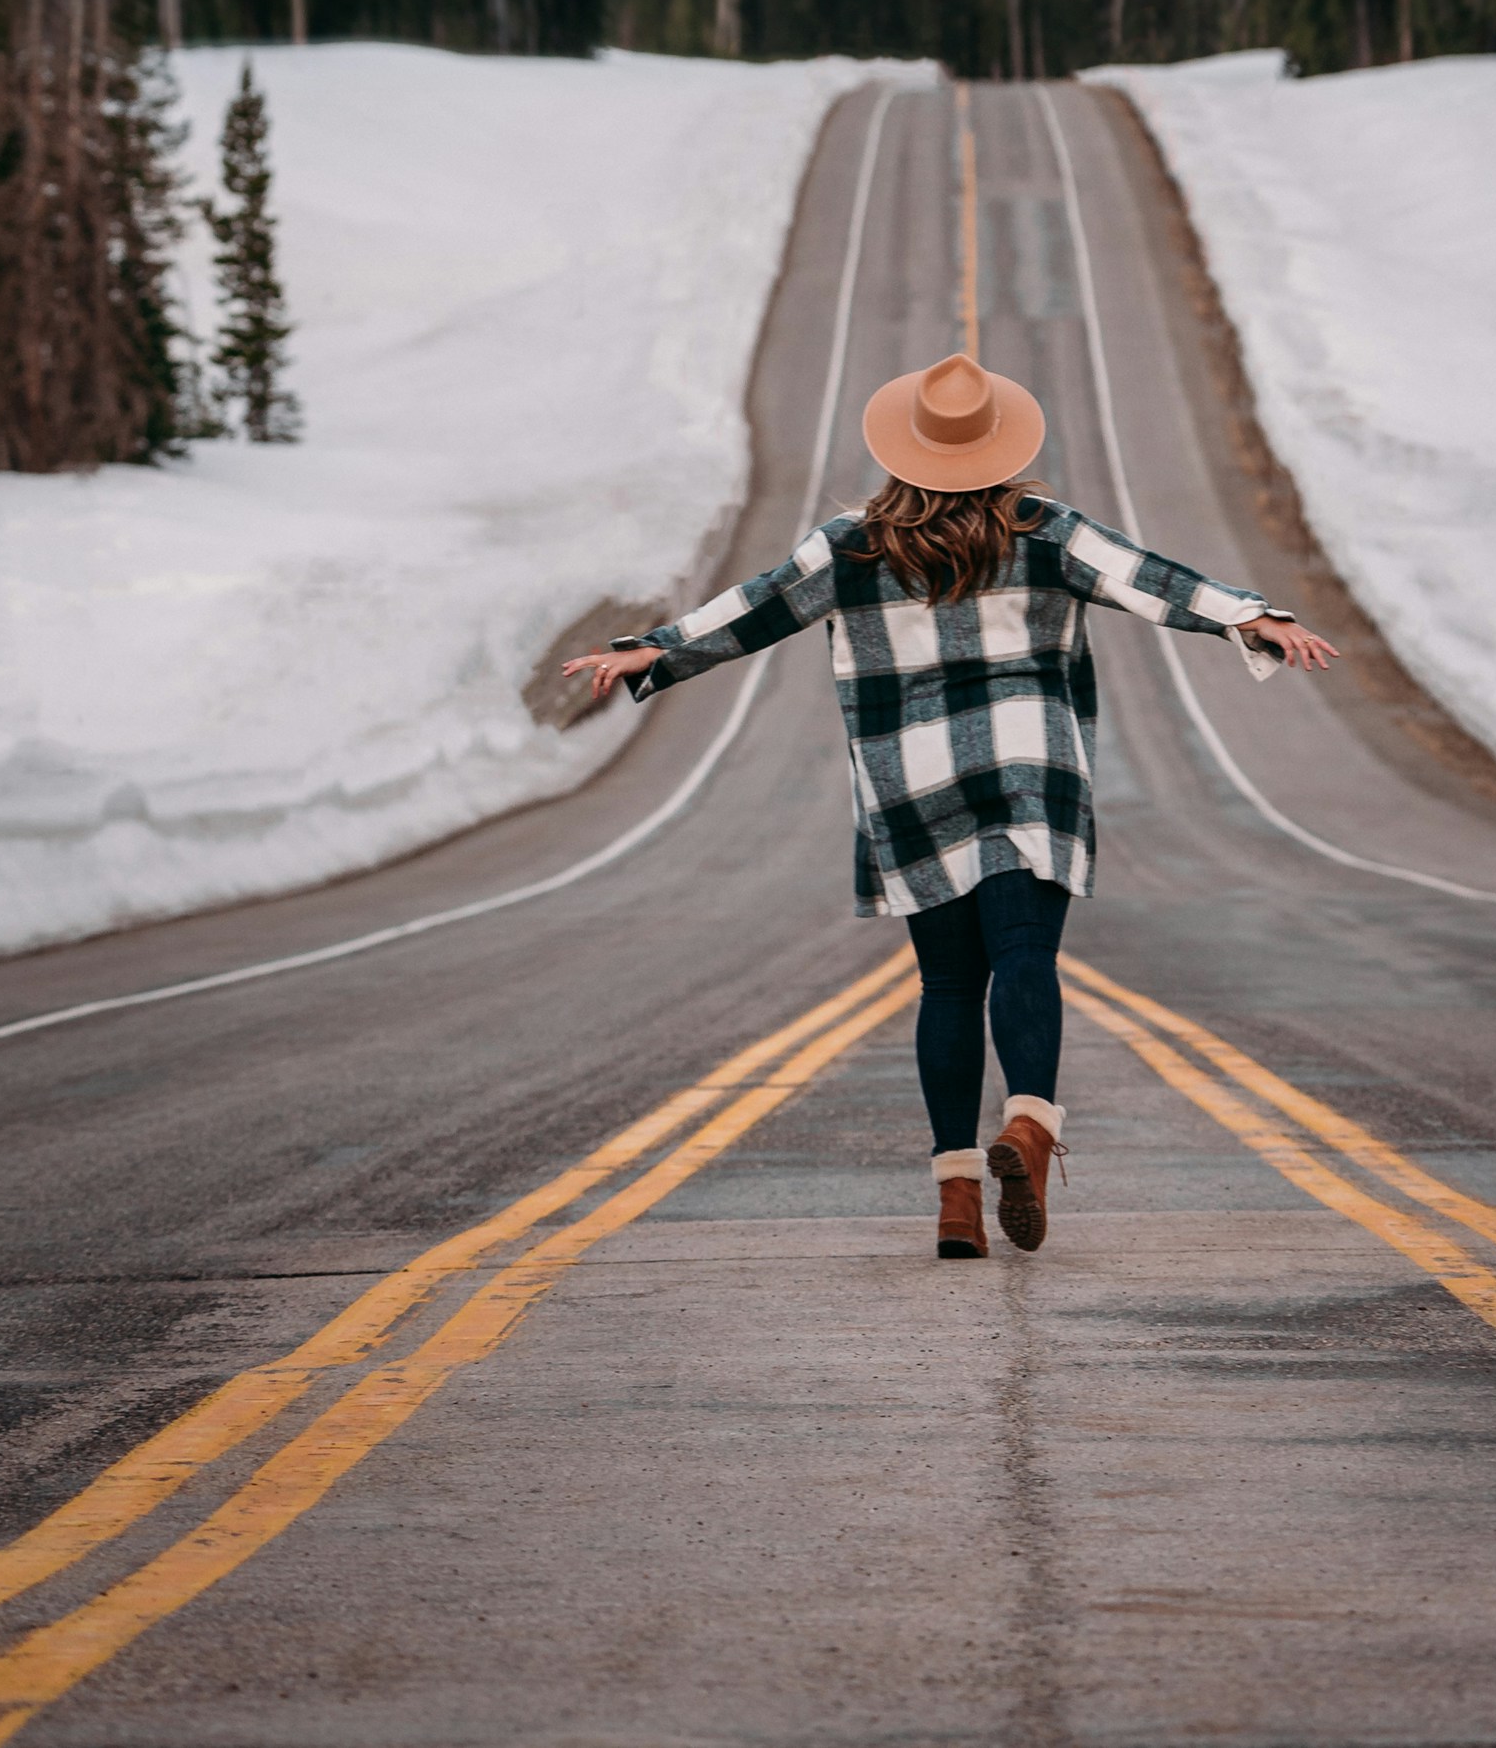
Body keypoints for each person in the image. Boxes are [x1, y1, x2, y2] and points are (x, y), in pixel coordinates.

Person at [564, 351, 1336, 1261]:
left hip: (911, 783)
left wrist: (651, 652)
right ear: (1001, 446)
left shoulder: (850, 544)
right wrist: (1251, 617)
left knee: (948, 987)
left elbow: (755, 610)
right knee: (1023, 957)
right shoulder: (1043, 528)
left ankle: (958, 1202)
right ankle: (1030, 1127)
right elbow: (1149, 577)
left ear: (904, 450)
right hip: (1029, 767)